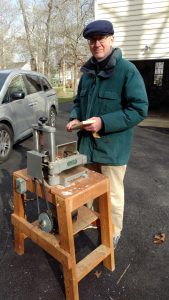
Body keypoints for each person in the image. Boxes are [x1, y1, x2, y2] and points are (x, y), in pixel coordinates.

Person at [66, 20, 148, 249]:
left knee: (111, 196)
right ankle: (93, 221)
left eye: (101, 38)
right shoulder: (87, 72)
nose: (96, 44)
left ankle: (113, 231)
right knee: (88, 191)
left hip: (113, 150)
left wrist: (104, 122)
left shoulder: (127, 71)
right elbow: (77, 102)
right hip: (87, 149)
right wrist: (75, 117)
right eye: (92, 40)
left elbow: (139, 109)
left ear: (112, 39)